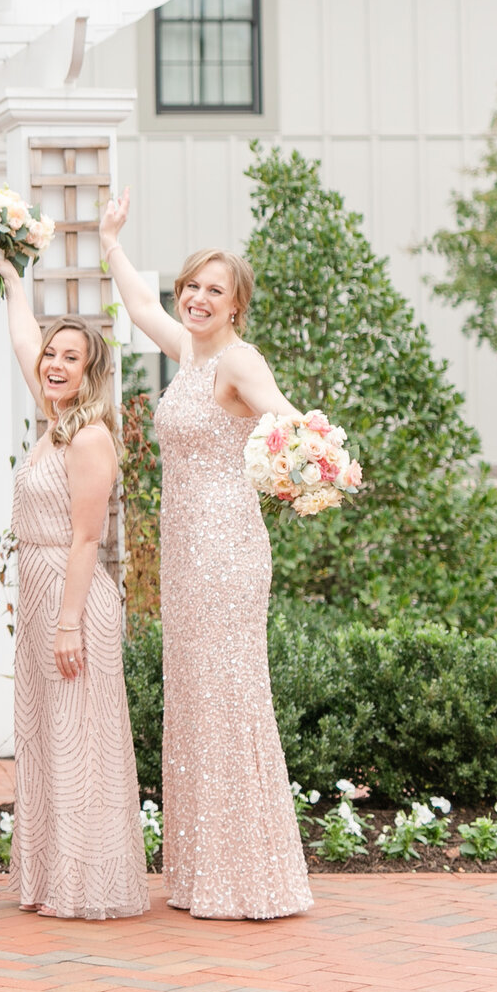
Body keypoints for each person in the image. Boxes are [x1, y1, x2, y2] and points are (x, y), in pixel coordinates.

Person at [100, 191, 313, 920]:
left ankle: (248, 874)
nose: (195, 297)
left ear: (236, 305)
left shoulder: (238, 361)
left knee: (228, 693)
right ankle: (201, 871)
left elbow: (290, 421)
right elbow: (136, 307)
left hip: (227, 542)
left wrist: (309, 470)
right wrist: (111, 241)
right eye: (191, 284)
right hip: (186, 548)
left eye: (212, 290)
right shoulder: (189, 354)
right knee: (194, 693)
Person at [0, 250, 147, 921]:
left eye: (69, 356)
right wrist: (15, 281)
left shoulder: (90, 439)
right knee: (51, 735)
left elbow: (88, 538)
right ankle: (52, 877)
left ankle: (90, 884)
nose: (52, 362)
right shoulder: (55, 422)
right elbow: (23, 338)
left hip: (74, 597)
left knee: (82, 739)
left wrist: (70, 619)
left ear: (92, 370)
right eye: (53, 352)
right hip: (43, 591)